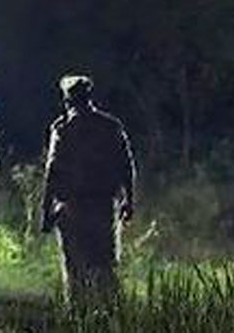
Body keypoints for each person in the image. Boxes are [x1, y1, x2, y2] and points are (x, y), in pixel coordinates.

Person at [41, 74, 136, 304]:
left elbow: (53, 171)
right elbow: (126, 165)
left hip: (71, 207)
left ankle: (78, 314)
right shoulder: (110, 126)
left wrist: (46, 211)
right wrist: (129, 200)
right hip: (103, 206)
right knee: (104, 265)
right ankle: (110, 313)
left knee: (75, 269)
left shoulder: (63, 129)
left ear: (67, 100)